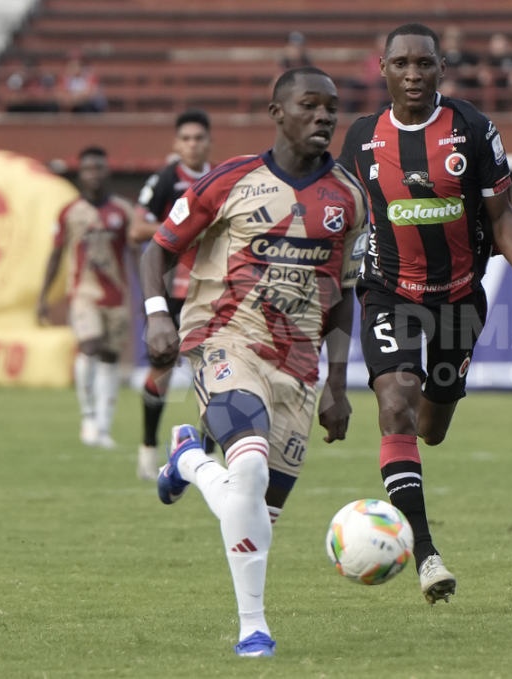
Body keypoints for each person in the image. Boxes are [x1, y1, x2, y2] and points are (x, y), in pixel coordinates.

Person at [140, 67, 368, 657]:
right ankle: (253, 628)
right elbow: (157, 251)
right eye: (309, 105)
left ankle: (190, 460)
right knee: (248, 464)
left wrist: (338, 385)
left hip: (299, 365)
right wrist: (157, 315)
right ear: (277, 113)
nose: (324, 116)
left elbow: (344, 296)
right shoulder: (229, 180)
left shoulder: (350, 197)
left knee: (259, 509)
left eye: (331, 107)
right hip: (225, 339)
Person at [338, 22, 512, 606]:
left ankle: (412, 452)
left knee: (431, 427)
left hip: (459, 298)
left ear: (441, 68)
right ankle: (426, 554)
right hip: (389, 293)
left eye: (424, 64)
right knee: (396, 404)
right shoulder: (360, 138)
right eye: (402, 64)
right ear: (383, 69)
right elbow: (347, 219)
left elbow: (501, 214)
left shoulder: (472, 128)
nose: (413, 75)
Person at [128, 109, 214, 480]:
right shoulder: (166, 178)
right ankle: (148, 448)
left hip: (212, 290)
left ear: (209, 142)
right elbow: (136, 229)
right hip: (170, 292)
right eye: (186, 139)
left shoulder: (220, 178)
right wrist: (182, 227)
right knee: (162, 369)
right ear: (177, 143)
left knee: (215, 372)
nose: (193, 144)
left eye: (199, 138)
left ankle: (209, 456)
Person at [38, 147, 134, 448]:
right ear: (80, 174)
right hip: (83, 294)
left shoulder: (123, 211)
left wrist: (150, 293)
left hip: (116, 296)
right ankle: (88, 418)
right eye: (88, 169)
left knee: (110, 357)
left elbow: (138, 254)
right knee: (89, 345)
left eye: (98, 168)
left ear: (107, 172)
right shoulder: (69, 212)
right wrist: (42, 296)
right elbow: (56, 254)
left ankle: (103, 426)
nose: (94, 174)